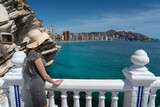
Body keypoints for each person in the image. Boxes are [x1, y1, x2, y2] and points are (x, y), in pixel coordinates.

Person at [24, 29, 63, 107]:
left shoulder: (30, 54)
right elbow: (45, 76)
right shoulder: (36, 55)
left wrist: (35, 78)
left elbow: (26, 71)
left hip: (33, 85)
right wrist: (55, 83)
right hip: (38, 87)